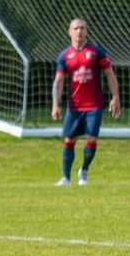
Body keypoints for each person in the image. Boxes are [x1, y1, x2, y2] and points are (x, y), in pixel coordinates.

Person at [51, 18, 121, 186]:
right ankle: (66, 178)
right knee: (69, 140)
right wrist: (55, 104)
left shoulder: (96, 52)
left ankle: (84, 170)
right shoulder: (65, 55)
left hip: (94, 105)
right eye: (76, 28)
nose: (79, 31)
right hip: (74, 106)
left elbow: (109, 74)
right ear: (69, 32)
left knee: (92, 138)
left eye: (82, 28)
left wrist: (115, 97)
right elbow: (59, 81)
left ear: (86, 31)